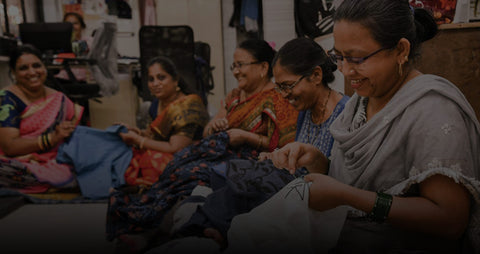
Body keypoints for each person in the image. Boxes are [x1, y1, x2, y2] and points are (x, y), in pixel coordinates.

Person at [225, 1, 480, 253]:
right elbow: (353, 180)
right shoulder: (361, 101)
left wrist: (347, 197)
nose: (345, 71)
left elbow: (449, 221)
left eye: (357, 58)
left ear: (401, 50)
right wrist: (317, 161)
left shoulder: (433, 110)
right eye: (340, 57)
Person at [106, 39, 299, 252]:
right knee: (177, 167)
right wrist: (215, 125)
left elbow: (284, 147)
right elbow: (208, 130)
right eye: (233, 66)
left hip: (250, 161)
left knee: (190, 175)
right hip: (220, 152)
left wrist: (246, 137)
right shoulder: (234, 96)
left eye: (240, 65)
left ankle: (159, 232)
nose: (236, 72)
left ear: (263, 67)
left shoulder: (277, 100)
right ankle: (147, 228)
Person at [166, 37, 350, 249]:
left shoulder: (345, 114)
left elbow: (339, 177)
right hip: (293, 186)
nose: (284, 95)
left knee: (249, 181)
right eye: (280, 88)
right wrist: (275, 157)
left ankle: (206, 226)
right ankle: (207, 226)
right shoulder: (305, 111)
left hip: (315, 198)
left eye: (287, 86)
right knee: (242, 174)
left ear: (316, 75)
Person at [0, 44, 83, 193]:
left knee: (95, 157)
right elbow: (10, 147)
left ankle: (54, 180)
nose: (32, 72)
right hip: (15, 162)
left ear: (44, 67)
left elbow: (77, 135)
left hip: (55, 160)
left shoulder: (59, 98)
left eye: (37, 65)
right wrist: (51, 138)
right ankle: (57, 181)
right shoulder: (7, 98)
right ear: (13, 72)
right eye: (23, 68)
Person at [118, 56, 209, 186]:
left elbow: (176, 148)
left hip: (187, 157)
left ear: (175, 80)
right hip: (164, 152)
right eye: (151, 79)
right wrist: (136, 132)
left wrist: (139, 140)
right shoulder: (156, 104)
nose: (155, 83)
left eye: (161, 77)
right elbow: (153, 136)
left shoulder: (187, 106)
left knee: (150, 159)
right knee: (123, 152)